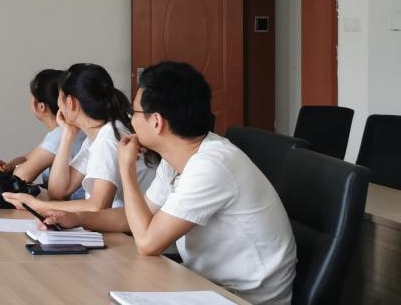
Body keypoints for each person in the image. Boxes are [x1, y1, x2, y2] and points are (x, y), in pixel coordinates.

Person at [40, 62, 296, 305]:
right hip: (204, 284)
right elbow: (135, 218)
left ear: (157, 121)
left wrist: (126, 169)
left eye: (134, 113)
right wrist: (77, 219)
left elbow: (147, 243)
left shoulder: (210, 165)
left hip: (243, 297)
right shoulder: (178, 157)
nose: (130, 120)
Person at [3, 63, 155, 213]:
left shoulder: (108, 139)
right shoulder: (94, 138)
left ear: (71, 103)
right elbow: (58, 191)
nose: (58, 106)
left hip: (128, 228)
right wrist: (67, 133)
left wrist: (38, 205)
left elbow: (97, 207)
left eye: (59, 98)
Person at [0, 69, 85, 187]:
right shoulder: (66, 129)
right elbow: (27, 158)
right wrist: (7, 166)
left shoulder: (61, 134)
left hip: (68, 199)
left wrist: (7, 171)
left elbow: (21, 176)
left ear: (40, 106)